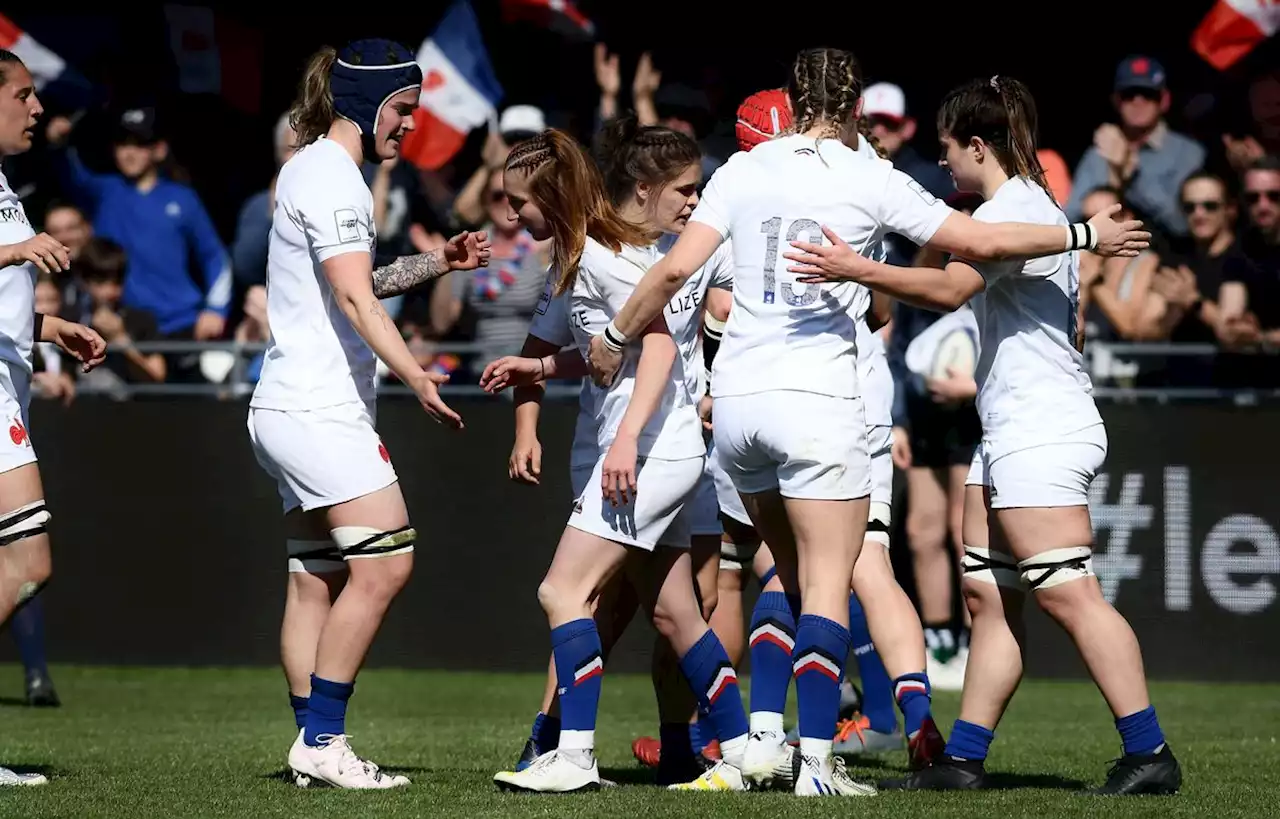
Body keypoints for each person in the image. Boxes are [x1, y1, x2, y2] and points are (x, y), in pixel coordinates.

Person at [586, 47, 1149, 798]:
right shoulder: (871, 175)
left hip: (739, 405)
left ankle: (782, 740)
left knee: (781, 577)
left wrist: (613, 335)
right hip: (821, 403)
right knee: (832, 583)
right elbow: (966, 255)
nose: (942, 158)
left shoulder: (738, 172)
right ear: (852, 110)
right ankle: (816, 762)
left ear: (790, 99)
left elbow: (669, 272)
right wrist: (1084, 236)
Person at [786, 75, 1181, 797]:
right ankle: (963, 760)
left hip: (1042, 429)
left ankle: (1148, 750)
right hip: (1009, 430)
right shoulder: (1017, 209)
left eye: (947, 148)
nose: (942, 162)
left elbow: (945, 291)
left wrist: (853, 266)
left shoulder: (1017, 210)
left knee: (1069, 594)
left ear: (977, 144)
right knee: (989, 597)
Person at [245, 39, 491, 790]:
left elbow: (362, 280)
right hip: (319, 407)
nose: (410, 124)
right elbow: (354, 299)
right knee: (386, 563)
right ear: (365, 103)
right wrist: (419, 374)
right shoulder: (335, 176)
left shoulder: (311, 168)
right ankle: (322, 741)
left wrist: (438, 263)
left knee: (314, 579)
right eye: (404, 108)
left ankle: (310, 749)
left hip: (285, 402)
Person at [489, 128, 751, 794]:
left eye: (519, 202)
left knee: (563, 591)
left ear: (550, 194)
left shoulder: (602, 255)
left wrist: (629, 439)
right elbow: (612, 350)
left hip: (651, 451)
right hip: (659, 448)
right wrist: (540, 364)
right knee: (677, 613)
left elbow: (657, 347)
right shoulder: (583, 254)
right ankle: (747, 748)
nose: (513, 216)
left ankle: (572, 754)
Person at [0, 48, 109, 785]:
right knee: (28, 557)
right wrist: (18, 247)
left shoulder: (6, 181)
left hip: (10, 381)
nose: (37, 109)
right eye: (24, 95)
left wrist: (47, 329)